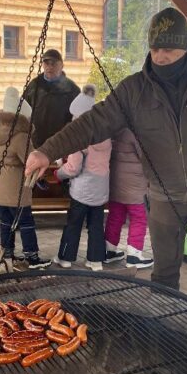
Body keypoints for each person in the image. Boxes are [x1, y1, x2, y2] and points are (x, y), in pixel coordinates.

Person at [25, 7, 187, 318]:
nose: (160, 56)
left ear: (185, 46)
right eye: (155, 48)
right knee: (164, 273)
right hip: (161, 196)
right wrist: (46, 151)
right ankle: (165, 330)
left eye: (169, 49)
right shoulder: (135, 89)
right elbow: (93, 123)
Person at [0, 87, 51, 270]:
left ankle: (6, 254)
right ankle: (31, 257)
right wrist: (41, 178)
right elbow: (31, 161)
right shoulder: (21, 136)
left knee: (6, 221)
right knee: (26, 222)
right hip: (16, 186)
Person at [52, 89, 112, 271]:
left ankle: (65, 258)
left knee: (74, 224)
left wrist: (59, 174)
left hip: (82, 191)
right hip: (100, 189)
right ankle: (95, 261)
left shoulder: (80, 138)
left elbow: (73, 168)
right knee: (95, 226)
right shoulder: (106, 136)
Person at [103, 126, 154, 269]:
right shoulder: (138, 132)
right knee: (139, 218)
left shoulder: (113, 130)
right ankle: (134, 256)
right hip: (135, 186)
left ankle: (109, 251)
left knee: (115, 217)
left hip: (115, 182)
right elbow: (147, 159)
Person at [23, 49, 81, 149]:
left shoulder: (72, 89)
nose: (50, 67)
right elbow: (23, 111)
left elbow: (77, 118)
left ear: (62, 65)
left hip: (60, 144)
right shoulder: (34, 86)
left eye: (54, 63)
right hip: (36, 142)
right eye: (46, 63)